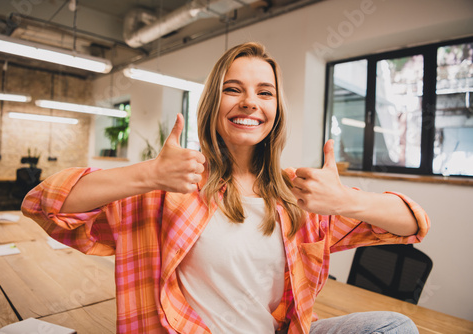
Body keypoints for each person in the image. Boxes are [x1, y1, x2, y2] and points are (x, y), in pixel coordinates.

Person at [22, 42, 429, 333]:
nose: (250, 102)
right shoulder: (172, 188)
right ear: (212, 104)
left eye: (263, 92)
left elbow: (411, 223)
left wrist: (343, 201)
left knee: (394, 325)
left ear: (276, 112)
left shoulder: (297, 195)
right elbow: (43, 205)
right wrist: (147, 175)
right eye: (233, 89)